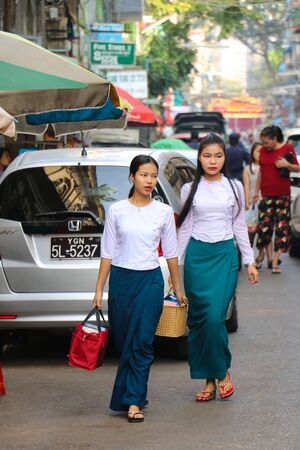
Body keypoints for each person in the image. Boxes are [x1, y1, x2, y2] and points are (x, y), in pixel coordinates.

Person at [92, 154, 187, 423]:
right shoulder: (116, 210)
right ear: (132, 176)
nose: (149, 180)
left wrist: (178, 288)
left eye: (154, 175)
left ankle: (133, 400)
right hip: (121, 282)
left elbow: (171, 253)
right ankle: (133, 393)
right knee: (125, 343)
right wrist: (98, 289)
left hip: (150, 281)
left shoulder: (163, 212)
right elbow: (108, 252)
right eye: (144, 174)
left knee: (142, 342)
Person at [177, 132, 259, 402]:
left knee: (214, 318)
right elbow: (185, 229)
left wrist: (249, 261)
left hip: (224, 256)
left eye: (218, 156)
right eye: (207, 155)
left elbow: (239, 227)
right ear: (199, 158)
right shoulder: (190, 188)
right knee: (199, 322)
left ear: (225, 158)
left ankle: (222, 372)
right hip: (196, 258)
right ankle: (209, 381)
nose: (213, 161)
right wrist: (174, 268)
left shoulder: (234, 187)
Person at [253, 125, 299, 274]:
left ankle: (275, 261)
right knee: (264, 227)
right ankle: (261, 255)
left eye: (266, 142)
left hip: (282, 195)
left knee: (281, 228)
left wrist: (287, 165)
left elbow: (297, 168)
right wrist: (256, 191)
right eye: (262, 142)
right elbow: (261, 172)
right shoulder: (263, 152)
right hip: (266, 195)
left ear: (274, 139)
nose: (264, 145)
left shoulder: (287, 149)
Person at [242, 142, 262, 246]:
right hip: (252, 204)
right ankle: (248, 258)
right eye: (257, 151)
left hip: (264, 203)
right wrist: (246, 203)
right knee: (250, 233)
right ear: (252, 152)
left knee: (264, 233)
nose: (259, 153)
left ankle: (263, 258)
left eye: (261, 151)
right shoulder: (247, 169)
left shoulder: (267, 167)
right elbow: (246, 186)